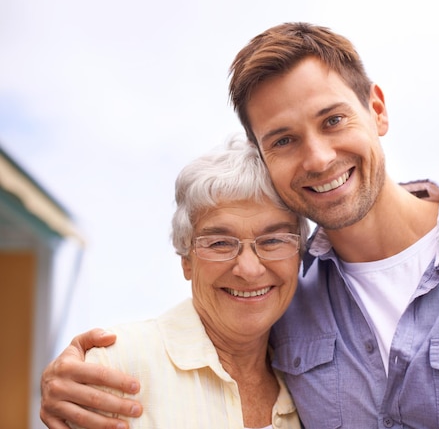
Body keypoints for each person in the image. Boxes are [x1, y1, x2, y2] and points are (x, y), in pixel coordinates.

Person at [41, 22, 439, 429]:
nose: (318, 157)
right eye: (284, 140)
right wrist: (75, 378)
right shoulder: (282, 295)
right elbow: (200, 339)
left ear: (377, 109)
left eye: (333, 119)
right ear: (263, 155)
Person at [52, 135, 309, 429]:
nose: (249, 269)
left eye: (273, 240)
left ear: (299, 254)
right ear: (186, 259)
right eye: (220, 243)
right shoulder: (115, 367)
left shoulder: (309, 384)